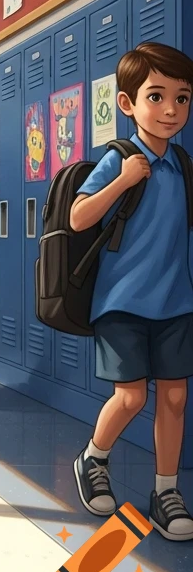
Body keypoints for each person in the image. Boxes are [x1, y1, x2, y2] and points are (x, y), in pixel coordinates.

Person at [70, 43, 193, 541]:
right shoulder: (121, 158)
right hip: (120, 301)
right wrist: (121, 182)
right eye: (157, 96)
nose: (170, 110)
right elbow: (78, 217)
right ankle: (93, 458)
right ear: (127, 104)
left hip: (176, 301)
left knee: (176, 397)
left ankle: (165, 491)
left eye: (182, 99)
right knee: (130, 397)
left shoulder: (183, 164)